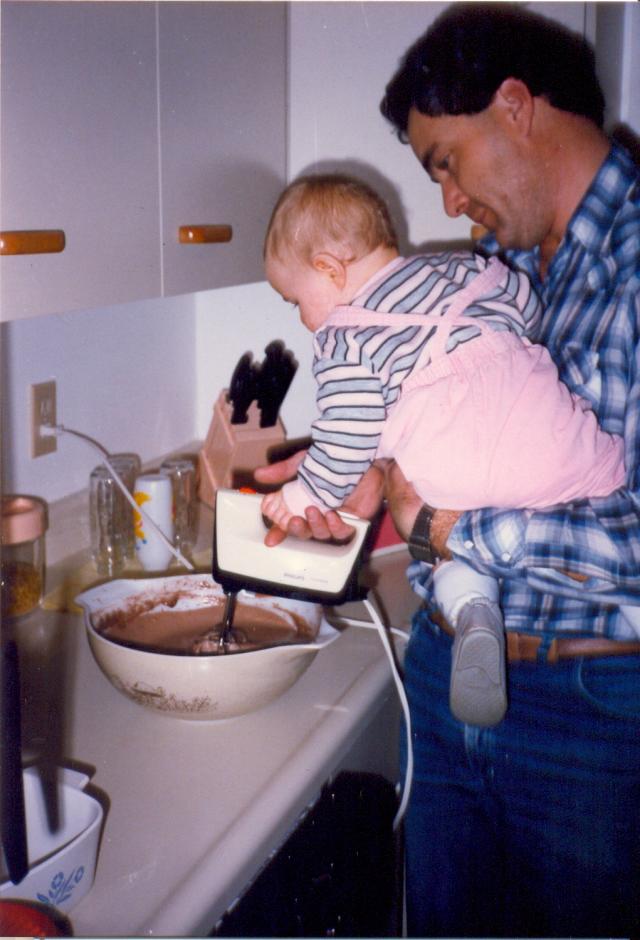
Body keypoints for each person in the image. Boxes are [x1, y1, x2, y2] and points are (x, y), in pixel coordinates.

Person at [256, 4, 640, 936]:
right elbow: (438, 412)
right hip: (441, 668)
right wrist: (361, 469)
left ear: (515, 107)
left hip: (594, 710)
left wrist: (440, 529)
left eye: (446, 161)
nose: (446, 203)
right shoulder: (496, 264)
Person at [260, 173, 627, 729]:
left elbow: (346, 436)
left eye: (295, 301)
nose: (305, 318)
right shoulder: (466, 268)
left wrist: (304, 491)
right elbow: (527, 307)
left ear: (330, 271)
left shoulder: (345, 337)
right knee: (606, 478)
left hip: (453, 477)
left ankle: (473, 609)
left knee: (449, 548)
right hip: (561, 448)